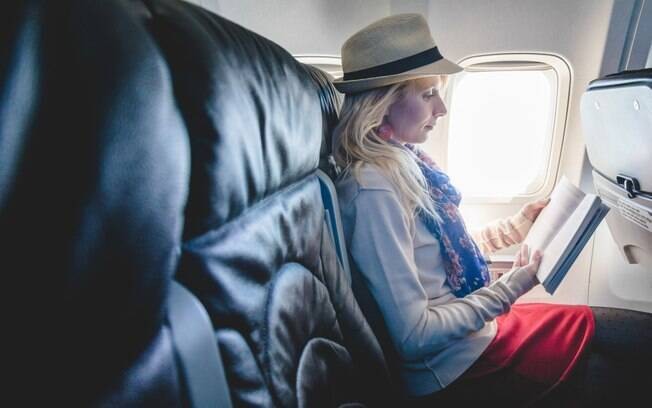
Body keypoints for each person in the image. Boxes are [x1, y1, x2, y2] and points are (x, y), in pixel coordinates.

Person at [330, 13, 652, 407]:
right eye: (429, 94)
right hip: (457, 368)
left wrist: (516, 227)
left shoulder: (404, 161)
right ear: (384, 102)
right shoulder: (373, 190)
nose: (442, 108)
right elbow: (414, 337)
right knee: (631, 369)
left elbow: (438, 254)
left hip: (480, 336)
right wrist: (513, 285)